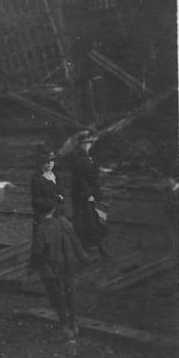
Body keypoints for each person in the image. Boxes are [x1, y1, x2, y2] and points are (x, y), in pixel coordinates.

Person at [29, 205, 92, 340]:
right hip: (68, 265)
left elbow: (37, 252)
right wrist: (83, 258)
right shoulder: (64, 222)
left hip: (52, 268)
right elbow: (76, 242)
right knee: (69, 294)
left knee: (58, 298)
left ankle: (65, 329)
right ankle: (74, 324)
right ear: (52, 210)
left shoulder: (41, 228)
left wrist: (32, 267)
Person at [68, 130, 110, 256]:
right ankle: (86, 247)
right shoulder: (77, 158)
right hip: (83, 194)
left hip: (93, 191)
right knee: (86, 220)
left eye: (89, 143)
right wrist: (89, 193)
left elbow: (93, 172)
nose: (87, 145)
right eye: (84, 143)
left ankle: (99, 245)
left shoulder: (89, 157)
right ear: (79, 145)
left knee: (98, 218)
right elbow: (80, 178)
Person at [31, 148, 65, 223]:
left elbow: (61, 190)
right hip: (44, 213)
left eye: (52, 161)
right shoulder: (37, 178)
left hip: (58, 211)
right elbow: (36, 200)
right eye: (47, 161)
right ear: (42, 162)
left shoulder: (56, 175)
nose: (50, 163)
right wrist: (53, 201)